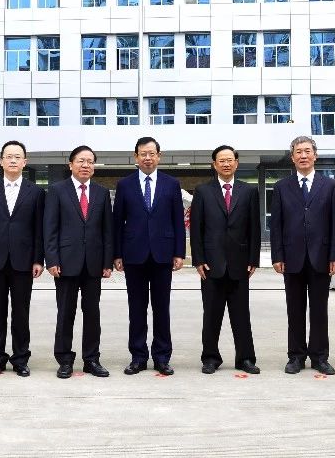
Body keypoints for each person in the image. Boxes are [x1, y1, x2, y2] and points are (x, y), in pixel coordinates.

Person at [268, 135, 335, 375]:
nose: (303, 156)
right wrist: (277, 256)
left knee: (320, 310)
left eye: (307, 151)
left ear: (315, 155)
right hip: (292, 258)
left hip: (321, 257)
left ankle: (320, 357)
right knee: (295, 310)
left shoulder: (330, 186)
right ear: (292, 157)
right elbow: (276, 224)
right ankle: (296, 356)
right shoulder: (281, 187)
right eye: (298, 152)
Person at [113, 136, 186, 376]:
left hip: (163, 254)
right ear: (136, 157)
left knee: (161, 308)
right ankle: (138, 357)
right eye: (143, 154)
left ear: (159, 156)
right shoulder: (124, 185)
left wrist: (179, 252)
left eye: (151, 154)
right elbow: (117, 222)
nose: (147, 158)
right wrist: (117, 253)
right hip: (133, 255)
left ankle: (162, 357)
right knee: (136, 308)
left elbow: (177, 220)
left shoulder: (171, 184)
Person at [43, 145, 114, 379]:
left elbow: (107, 230)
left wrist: (107, 262)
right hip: (65, 263)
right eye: (81, 161)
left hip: (94, 263)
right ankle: (64, 360)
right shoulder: (57, 191)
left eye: (90, 161)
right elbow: (50, 228)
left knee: (92, 314)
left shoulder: (102, 193)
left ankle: (91, 359)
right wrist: (52, 259)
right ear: (71, 164)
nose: (86, 165)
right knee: (65, 313)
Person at [189, 145, 260, 374]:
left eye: (230, 160)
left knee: (242, 315)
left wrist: (253, 259)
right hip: (211, 265)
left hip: (240, 264)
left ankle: (245, 358)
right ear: (214, 164)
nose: (226, 164)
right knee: (211, 315)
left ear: (236, 163)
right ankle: (210, 358)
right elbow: (196, 228)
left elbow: (254, 228)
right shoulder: (203, 191)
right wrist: (198, 259)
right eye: (222, 160)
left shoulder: (248, 191)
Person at [0, 140, 45, 377]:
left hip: (23, 261)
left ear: (25, 162)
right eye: (9, 156)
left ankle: (20, 359)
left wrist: (38, 259)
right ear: (1, 161)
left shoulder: (36, 192)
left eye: (18, 157)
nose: (13, 160)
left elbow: (39, 229)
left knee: (21, 313)